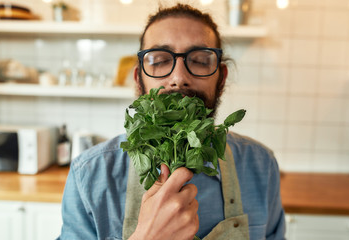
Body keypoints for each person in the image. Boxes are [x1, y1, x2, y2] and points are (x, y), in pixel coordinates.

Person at [58, 4, 285, 240]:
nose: (178, 78)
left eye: (199, 60)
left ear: (221, 78)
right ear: (138, 79)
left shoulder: (261, 166)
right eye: (159, 60)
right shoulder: (90, 174)